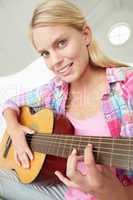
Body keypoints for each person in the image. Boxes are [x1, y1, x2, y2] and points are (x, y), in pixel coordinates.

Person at [0, 0, 133, 199]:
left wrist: (119, 194)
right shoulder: (55, 89)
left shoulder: (127, 86)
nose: (54, 61)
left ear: (85, 35)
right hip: (65, 191)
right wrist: (15, 131)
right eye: (45, 53)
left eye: (61, 43)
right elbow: (10, 103)